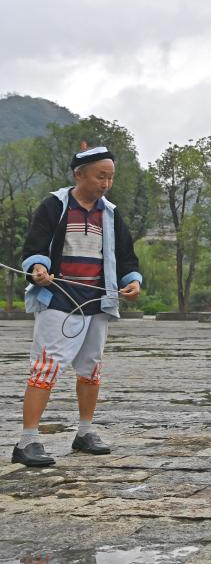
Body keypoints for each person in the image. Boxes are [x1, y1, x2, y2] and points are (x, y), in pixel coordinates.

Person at [13, 146, 142, 467]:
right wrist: (38, 268)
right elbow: (35, 245)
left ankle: (85, 432)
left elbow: (126, 255)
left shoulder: (110, 214)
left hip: (97, 300)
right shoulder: (54, 206)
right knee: (46, 367)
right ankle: (27, 440)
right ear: (79, 174)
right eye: (101, 176)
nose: (106, 184)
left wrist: (132, 281)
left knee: (91, 368)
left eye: (110, 177)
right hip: (59, 298)